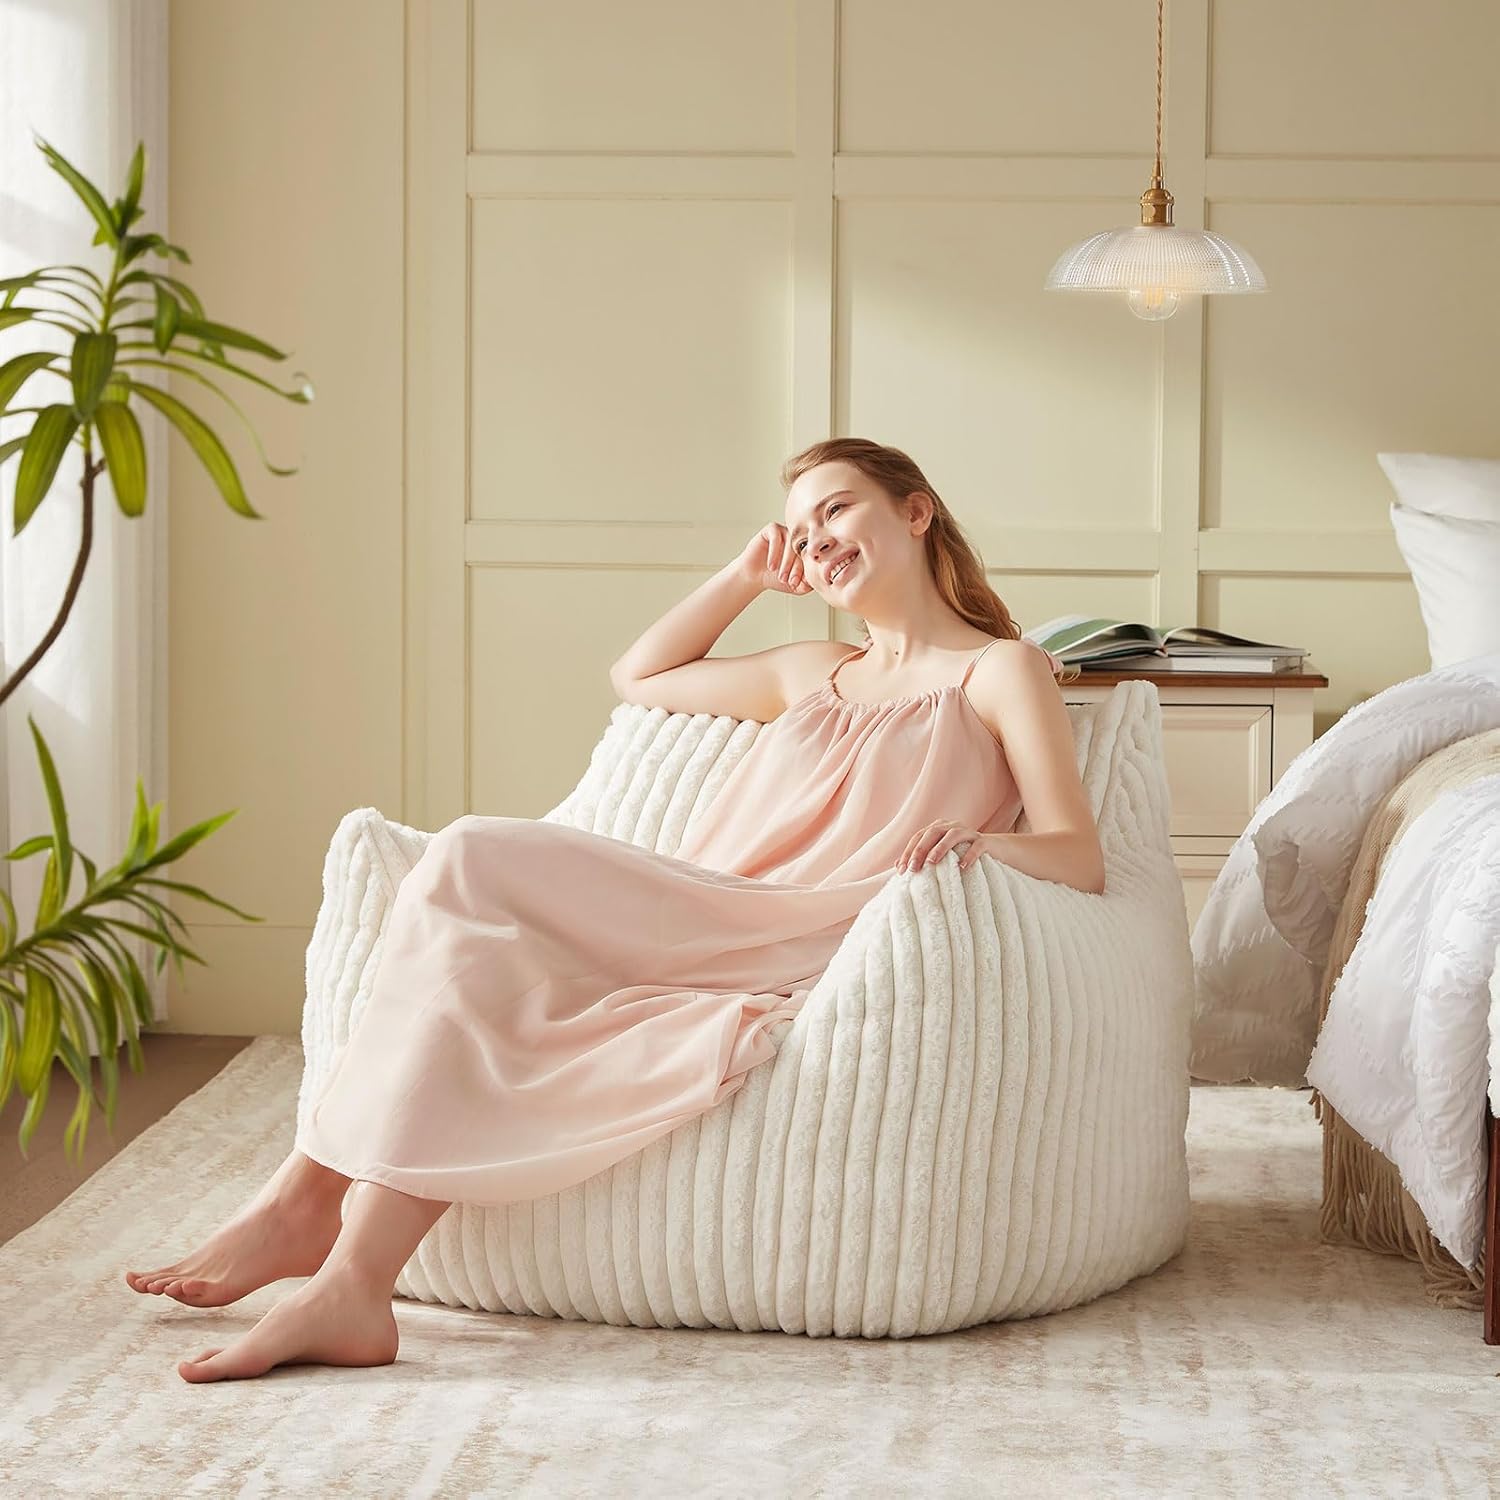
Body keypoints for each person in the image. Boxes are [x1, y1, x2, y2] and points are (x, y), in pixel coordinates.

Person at [124, 437, 1105, 1383]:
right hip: (701, 904)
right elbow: (640, 676)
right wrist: (745, 576)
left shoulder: (1000, 670)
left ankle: (314, 1220)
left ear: (916, 511)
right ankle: (340, 1266)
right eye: (801, 533)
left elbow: (1078, 855)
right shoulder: (813, 668)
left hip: (804, 928)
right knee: (473, 943)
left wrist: (980, 845)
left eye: (836, 510)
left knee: (470, 858)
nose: (817, 542)